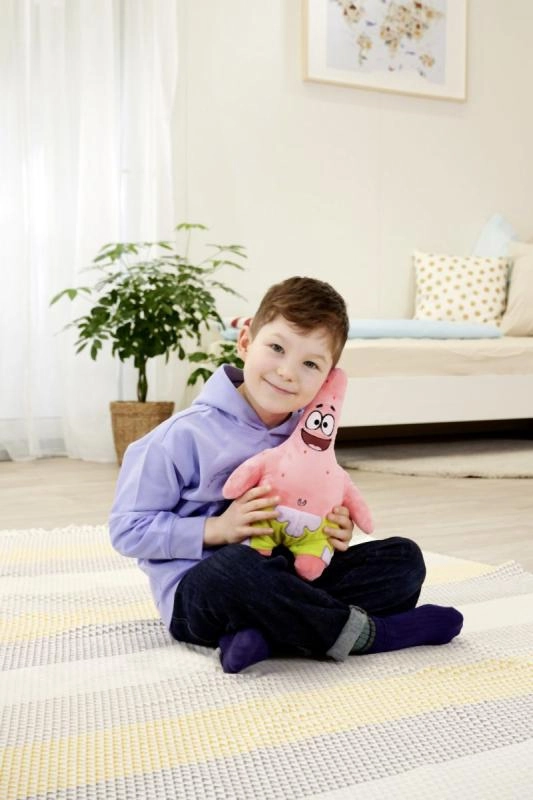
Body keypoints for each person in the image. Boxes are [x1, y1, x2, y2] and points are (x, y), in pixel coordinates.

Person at [109, 276, 463, 673]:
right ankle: (371, 634)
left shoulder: (308, 437)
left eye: (310, 364)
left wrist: (333, 531)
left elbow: (315, 507)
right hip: (206, 591)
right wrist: (218, 529)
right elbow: (127, 531)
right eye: (276, 348)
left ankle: (263, 636)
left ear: (327, 378)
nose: (287, 372)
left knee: (403, 559)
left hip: (290, 577)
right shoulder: (178, 437)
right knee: (236, 568)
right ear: (246, 341)